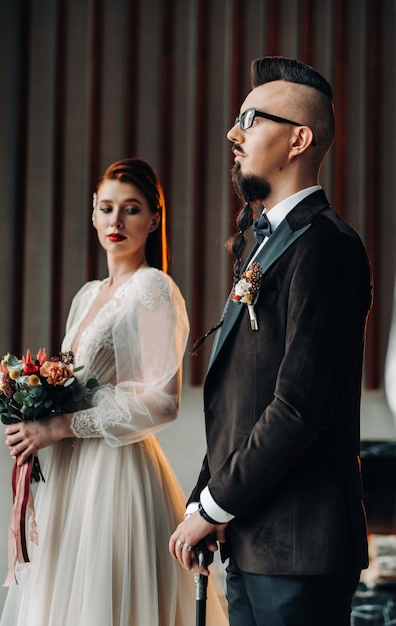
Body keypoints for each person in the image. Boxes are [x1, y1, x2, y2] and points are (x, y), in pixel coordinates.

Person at [170, 56, 373, 626]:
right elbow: (245, 397)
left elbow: (298, 406)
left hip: (300, 549)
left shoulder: (328, 248)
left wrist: (214, 506)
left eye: (251, 119)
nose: (234, 133)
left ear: (299, 138)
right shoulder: (262, 244)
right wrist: (205, 499)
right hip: (252, 537)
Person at [0, 158, 228, 625]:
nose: (116, 221)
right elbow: (71, 381)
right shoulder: (86, 294)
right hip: (68, 474)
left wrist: (62, 425)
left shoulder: (153, 288)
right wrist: (33, 416)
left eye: (131, 209)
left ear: (154, 218)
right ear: (93, 213)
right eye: (107, 208)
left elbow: (164, 401)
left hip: (115, 473)